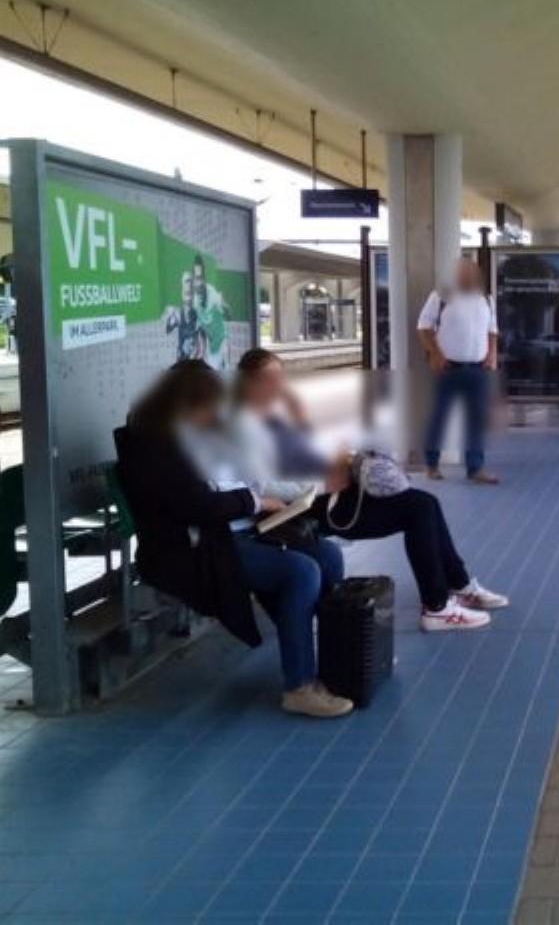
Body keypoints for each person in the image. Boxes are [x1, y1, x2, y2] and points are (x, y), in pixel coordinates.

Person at [116, 362, 353, 718]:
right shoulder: (152, 448)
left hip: (229, 532)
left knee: (328, 555)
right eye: (206, 410)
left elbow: (222, 483)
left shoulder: (184, 436)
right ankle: (300, 686)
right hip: (194, 550)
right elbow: (195, 505)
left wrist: (263, 499)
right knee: (301, 572)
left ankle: (338, 662)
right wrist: (255, 502)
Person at [232, 349, 508, 632]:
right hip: (305, 507)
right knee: (418, 510)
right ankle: (437, 607)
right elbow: (263, 485)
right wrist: (323, 482)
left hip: (328, 492)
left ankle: (459, 585)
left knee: (427, 502)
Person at [418, 258, 499, 484]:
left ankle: (475, 469)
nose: (467, 276)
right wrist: (435, 353)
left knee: (476, 420)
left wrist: (492, 353)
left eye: (471, 272)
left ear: (477, 276)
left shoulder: (487, 300)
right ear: (456, 275)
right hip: (447, 370)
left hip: (478, 370)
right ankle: (431, 465)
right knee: (439, 417)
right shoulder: (441, 297)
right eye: (463, 272)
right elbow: (423, 327)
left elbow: (492, 330)